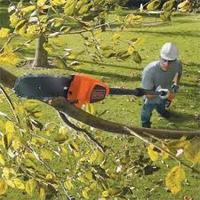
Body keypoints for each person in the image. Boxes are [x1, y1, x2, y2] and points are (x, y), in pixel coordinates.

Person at [141, 42, 182, 128]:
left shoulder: (177, 64)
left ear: (174, 60)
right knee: (147, 110)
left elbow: (179, 73)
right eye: (164, 60)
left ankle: (162, 112)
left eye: (170, 61)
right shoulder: (149, 71)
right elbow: (148, 95)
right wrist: (161, 93)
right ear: (160, 57)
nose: (166, 64)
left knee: (162, 104)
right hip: (152, 95)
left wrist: (175, 85)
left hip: (166, 93)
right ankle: (145, 123)